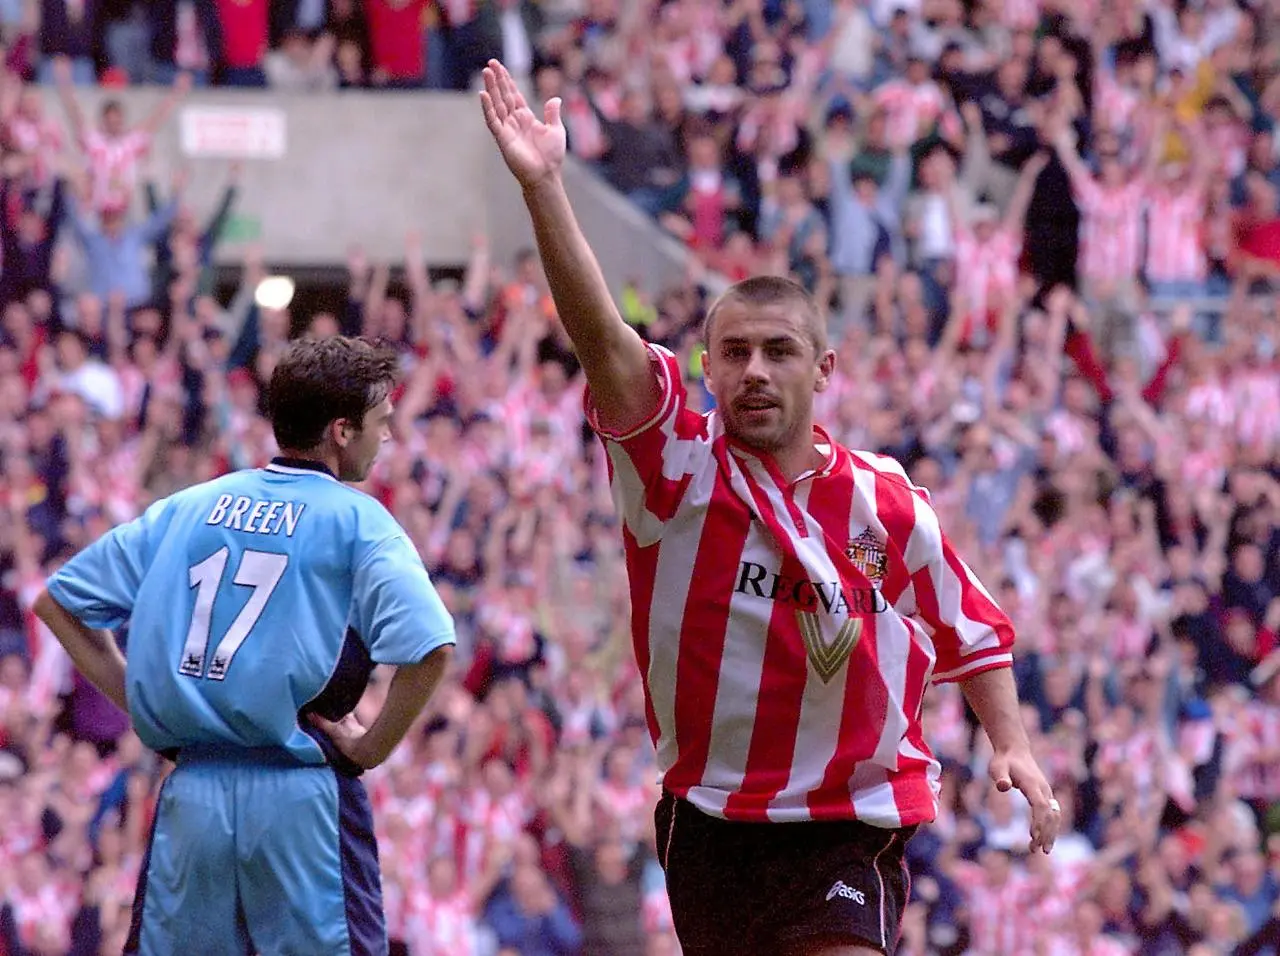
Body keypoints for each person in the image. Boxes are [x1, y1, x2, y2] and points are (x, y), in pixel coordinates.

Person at [480, 59, 1062, 956]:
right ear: (709, 369)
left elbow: (972, 630)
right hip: (710, 818)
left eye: (780, 352)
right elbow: (601, 337)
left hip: (847, 820)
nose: (755, 370)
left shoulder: (888, 504)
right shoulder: (671, 465)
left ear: (823, 371)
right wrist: (546, 188)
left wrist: (1013, 744)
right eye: (736, 353)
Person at [31, 335, 457, 956]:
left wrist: (143, 701)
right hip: (301, 797)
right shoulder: (361, 522)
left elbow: (58, 604)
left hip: (193, 796)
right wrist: (369, 747)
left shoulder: (187, 506)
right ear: (342, 431)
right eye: (381, 422)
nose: (386, 436)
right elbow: (432, 648)